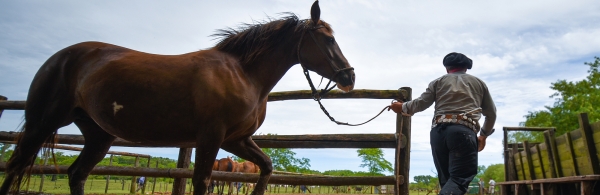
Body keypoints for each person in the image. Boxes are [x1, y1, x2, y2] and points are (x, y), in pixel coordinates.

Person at [390, 52, 496, 195]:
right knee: (459, 179)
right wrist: (483, 135)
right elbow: (491, 114)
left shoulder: (438, 82)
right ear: (466, 68)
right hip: (463, 131)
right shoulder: (479, 84)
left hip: (438, 132)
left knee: (447, 181)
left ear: (447, 68)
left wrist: (401, 107)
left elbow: (421, 103)